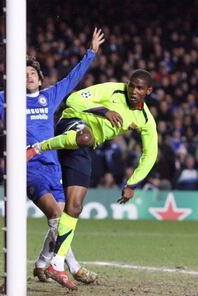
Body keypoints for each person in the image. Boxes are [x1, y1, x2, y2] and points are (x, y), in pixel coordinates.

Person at [0, 28, 105, 289]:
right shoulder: (6, 100)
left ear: (39, 79)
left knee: (62, 219)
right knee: (55, 214)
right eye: (23, 74)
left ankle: (42, 263)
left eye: (32, 73)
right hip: (27, 167)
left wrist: (91, 53)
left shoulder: (49, 97)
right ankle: (72, 267)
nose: (28, 76)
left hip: (53, 167)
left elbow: (72, 79)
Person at [27, 69, 158, 287]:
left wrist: (132, 182)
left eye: (140, 88)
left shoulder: (145, 119)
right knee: (85, 136)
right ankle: (37, 148)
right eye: (131, 85)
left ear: (148, 91)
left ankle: (53, 263)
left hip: (83, 148)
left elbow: (150, 153)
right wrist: (104, 111)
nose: (133, 91)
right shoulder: (113, 90)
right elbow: (74, 99)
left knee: (74, 207)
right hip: (71, 124)